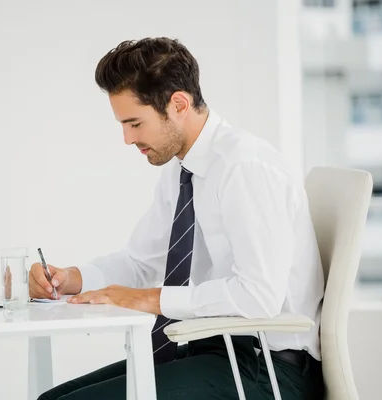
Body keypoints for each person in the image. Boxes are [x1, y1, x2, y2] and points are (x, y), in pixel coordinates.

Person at [30, 37, 325, 400]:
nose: (127, 138)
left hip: (269, 368)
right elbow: (141, 261)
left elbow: (258, 296)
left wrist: (150, 299)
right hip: (218, 351)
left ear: (179, 104)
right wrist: (71, 278)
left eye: (135, 123)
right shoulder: (183, 170)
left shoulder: (244, 168)